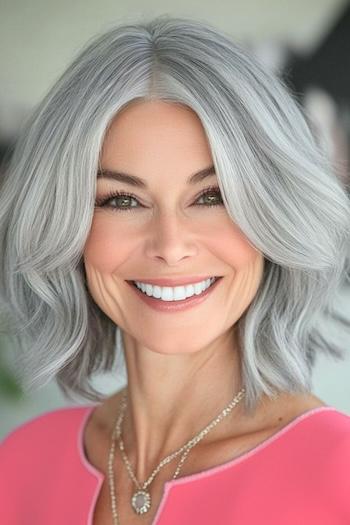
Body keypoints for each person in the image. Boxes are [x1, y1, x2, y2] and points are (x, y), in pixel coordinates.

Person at [0, 15, 350, 525]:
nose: (170, 245)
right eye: (121, 200)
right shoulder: (21, 463)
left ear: (273, 216)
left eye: (212, 196)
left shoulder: (338, 475)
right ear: (65, 223)